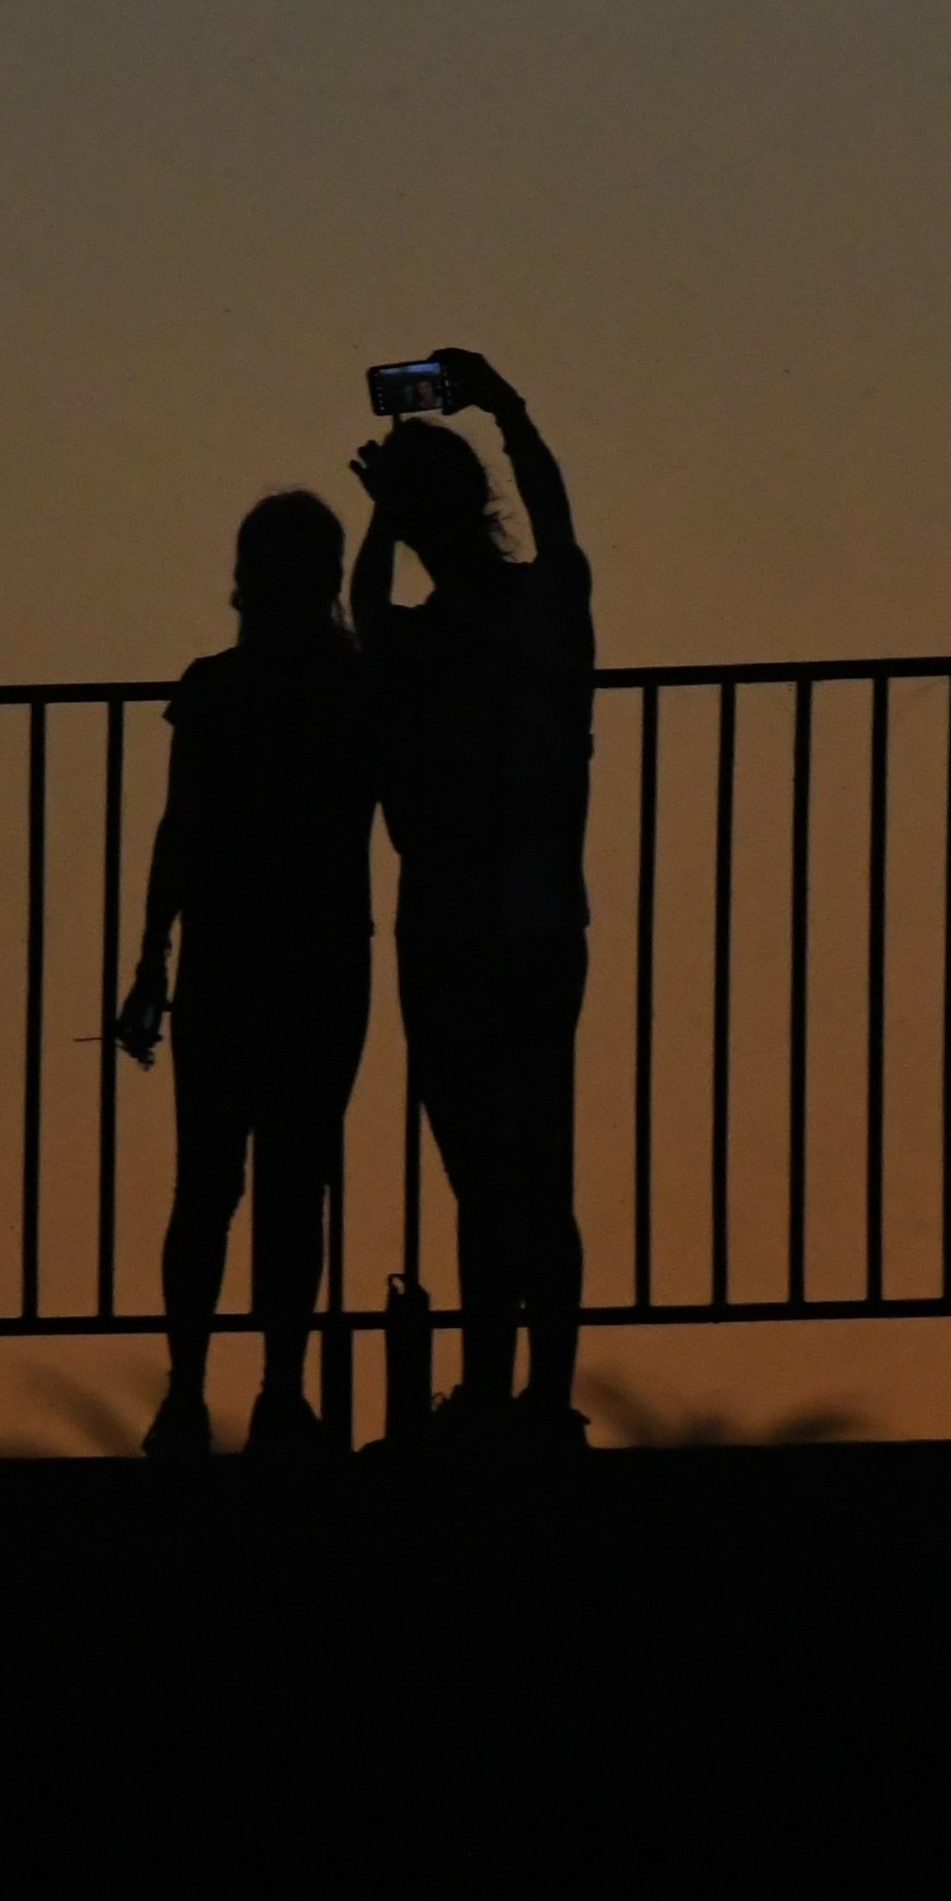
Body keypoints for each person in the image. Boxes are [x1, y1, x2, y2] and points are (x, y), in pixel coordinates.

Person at [350, 348, 595, 1450]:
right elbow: (552, 518)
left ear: (415, 527)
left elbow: (365, 608)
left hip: (447, 930)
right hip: (539, 921)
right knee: (538, 1160)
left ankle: (492, 1383)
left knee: (476, 1172)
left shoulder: (413, 640)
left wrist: (382, 519)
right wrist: (506, 406)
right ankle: (542, 1387)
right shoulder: (548, 607)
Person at [115, 491, 375, 1460]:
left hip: (229, 957)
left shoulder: (218, 688)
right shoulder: (355, 688)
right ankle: (280, 1391)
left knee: (207, 1182)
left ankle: (187, 1390)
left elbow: (178, 831)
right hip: (321, 957)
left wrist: (153, 956)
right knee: (292, 1180)